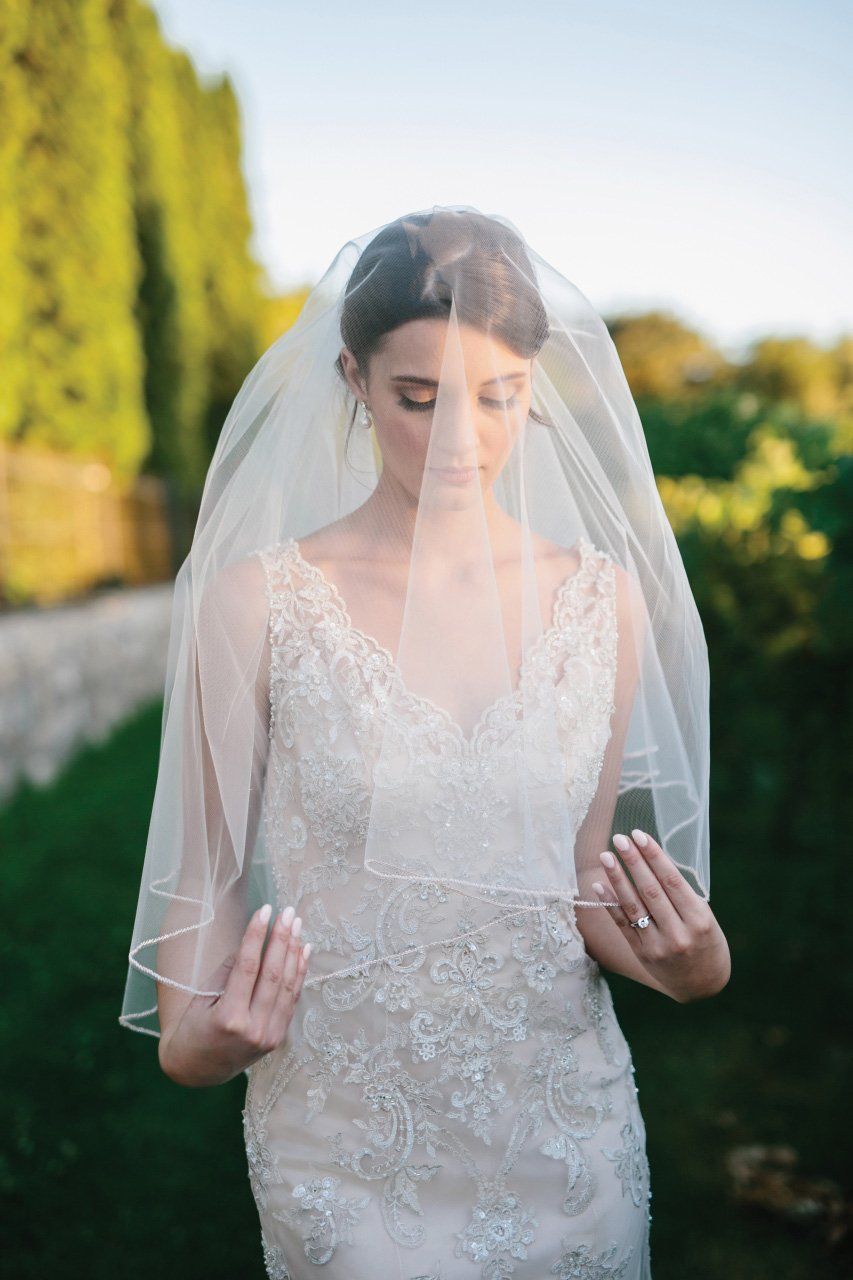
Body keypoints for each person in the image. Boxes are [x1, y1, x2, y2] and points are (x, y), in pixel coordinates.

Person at [120, 205, 730, 1279]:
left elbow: (575, 882)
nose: (460, 439)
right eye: (418, 398)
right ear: (352, 378)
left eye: (495, 397)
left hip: (561, 1120)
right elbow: (208, 868)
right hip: (345, 1131)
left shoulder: (601, 601)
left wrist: (690, 964)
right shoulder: (258, 600)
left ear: (533, 382)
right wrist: (190, 1038)